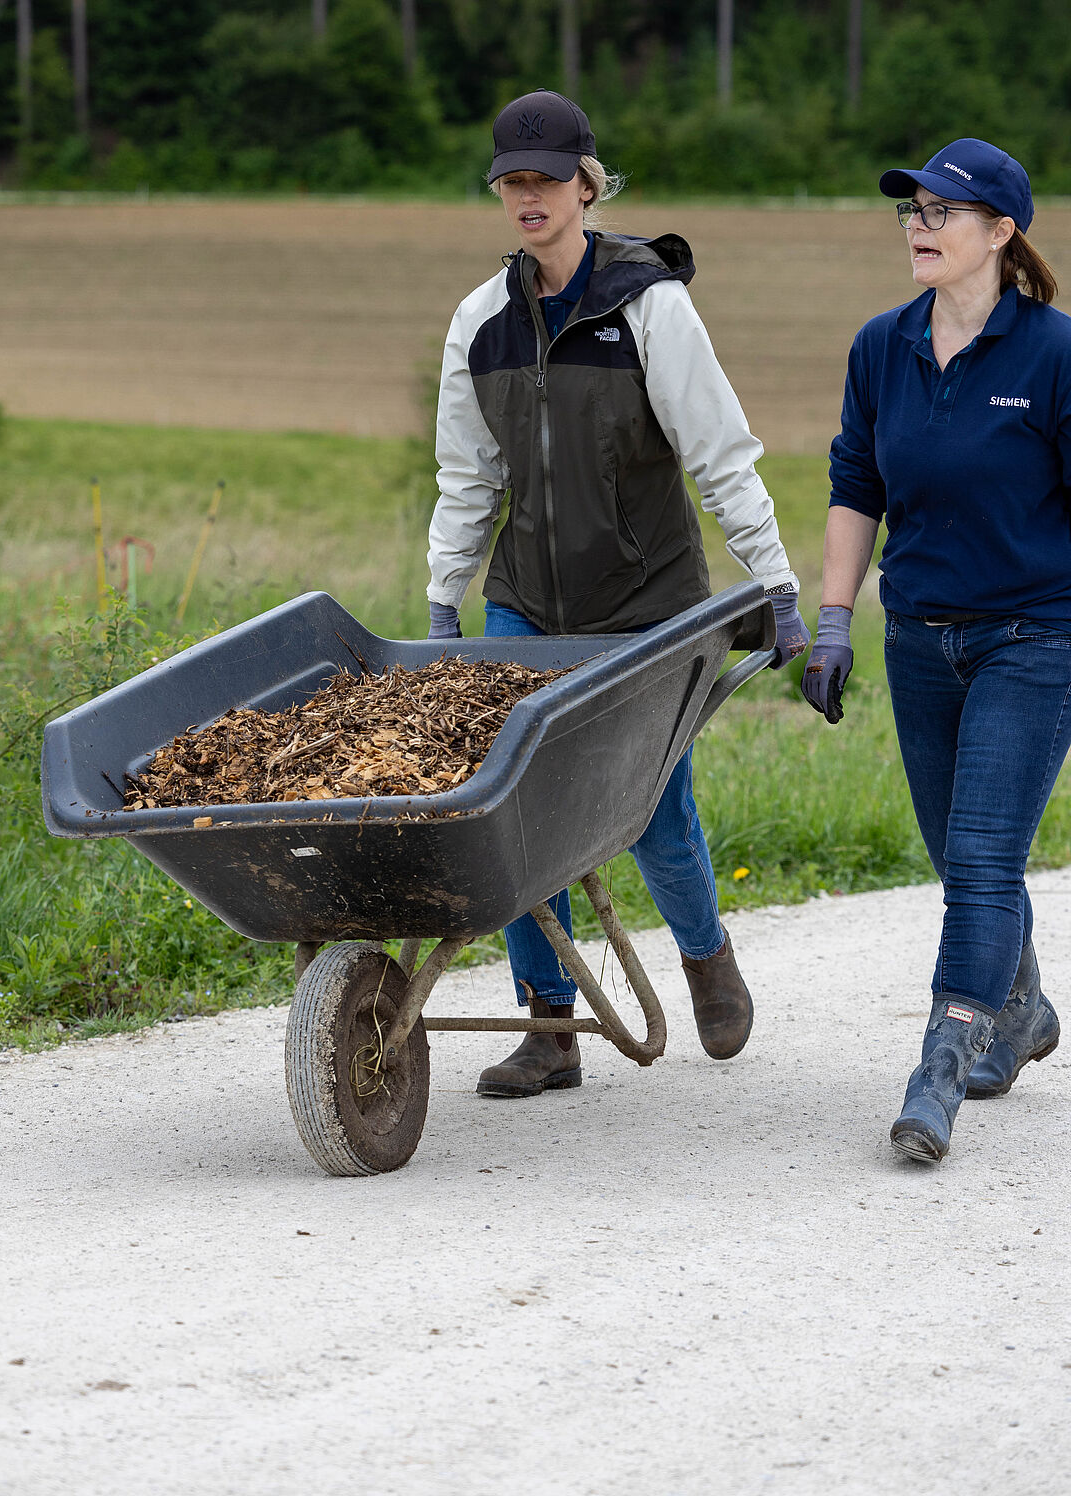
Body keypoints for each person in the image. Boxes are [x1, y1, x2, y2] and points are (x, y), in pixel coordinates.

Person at [426, 88, 810, 1098]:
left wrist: (775, 586)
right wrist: (440, 603)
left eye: (548, 179)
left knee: (652, 806)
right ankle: (551, 1029)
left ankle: (704, 958)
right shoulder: (481, 322)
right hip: (526, 604)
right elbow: (468, 477)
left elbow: (722, 456)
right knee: (508, 803)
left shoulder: (650, 308)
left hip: (646, 602)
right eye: (513, 179)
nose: (529, 196)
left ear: (586, 186)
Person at [802, 137, 1065, 1163]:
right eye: (911, 209)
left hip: (1036, 636)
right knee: (957, 855)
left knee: (983, 861)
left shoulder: (1054, 354)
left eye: (942, 211)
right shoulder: (882, 346)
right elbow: (855, 484)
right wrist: (833, 621)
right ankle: (1024, 1009)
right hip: (919, 637)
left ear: (1002, 232)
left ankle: (938, 1069)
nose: (919, 225)